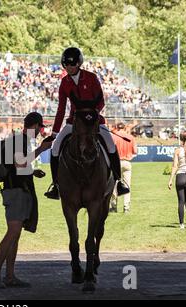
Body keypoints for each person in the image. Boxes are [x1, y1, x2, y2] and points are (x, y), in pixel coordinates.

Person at [44, 47, 129, 200]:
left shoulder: (91, 77)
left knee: (110, 144)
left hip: (94, 120)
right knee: (56, 147)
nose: (69, 67)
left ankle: (118, 181)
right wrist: (54, 133)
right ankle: (56, 185)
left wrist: (92, 114)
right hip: (74, 122)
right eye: (66, 64)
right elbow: (61, 108)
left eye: (72, 64)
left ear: (79, 63)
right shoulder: (64, 82)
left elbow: (101, 101)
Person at [0, 112, 52, 288]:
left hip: (15, 189)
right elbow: (20, 164)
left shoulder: (18, 140)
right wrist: (41, 149)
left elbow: (18, 167)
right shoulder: (20, 141)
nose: (41, 130)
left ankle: (9, 276)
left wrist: (33, 172)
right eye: (40, 127)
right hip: (16, 192)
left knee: (15, 235)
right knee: (12, 233)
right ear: (35, 126)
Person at [169, 131, 186, 229]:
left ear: (180, 139)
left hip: (180, 176)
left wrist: (170, 180)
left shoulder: (177, 151)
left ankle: (181, 224)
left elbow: (175, 166)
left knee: (181, 201)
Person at [109, 122, 137, 213]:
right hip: (127, 162)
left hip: (116, 163)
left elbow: (109, 150)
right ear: (124, 128)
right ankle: (126, 207)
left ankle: (113, 206)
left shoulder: (113, 137)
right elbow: (135, 152)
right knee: (127, 185)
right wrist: (129, 157)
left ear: (116, 128)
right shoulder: (131, 137)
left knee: (113, 185)